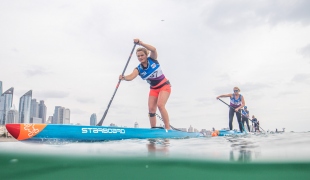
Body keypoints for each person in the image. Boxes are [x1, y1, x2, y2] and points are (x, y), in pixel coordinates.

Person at [119, 39, 172, 130]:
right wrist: (123, 78)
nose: (140, 57)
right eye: (138, 56)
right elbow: (131, 76)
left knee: (160, 105)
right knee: (151, 109)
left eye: (142, 55)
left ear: (146, 55)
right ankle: (153, 129)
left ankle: (167, 129)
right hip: (154, 89)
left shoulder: (152, 59)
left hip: (164, 86)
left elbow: (154, 49)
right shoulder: (138, 69)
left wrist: (141, 43)